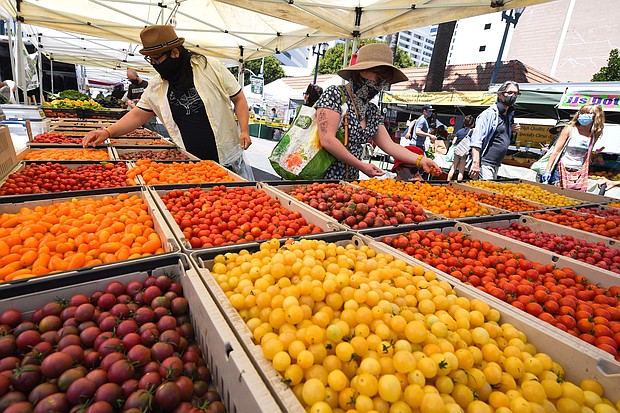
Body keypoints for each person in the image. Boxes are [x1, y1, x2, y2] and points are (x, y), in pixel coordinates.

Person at [83, 25, 253, 180]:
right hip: (191, 166)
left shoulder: (210, 67)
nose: (154, 64)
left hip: (227, 159)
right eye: (150, 60)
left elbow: (238, 98)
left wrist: (244, 130)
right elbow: (138, 115)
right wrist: (107, 132)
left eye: (156, 59)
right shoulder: (157, 86)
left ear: (175, 53)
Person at [315, 42, 441, 180]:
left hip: (348, 182)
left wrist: (421, 160)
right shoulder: (335, 95)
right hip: (321, 179)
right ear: (362, 71)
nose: (380, 86)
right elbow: (327, 139)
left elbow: (390, 145)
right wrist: (361, 165)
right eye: (379, 79)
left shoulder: (371, 110)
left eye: (384, 81)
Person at [541, 104, 605, 190]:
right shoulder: (570, 129)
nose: (584, 115)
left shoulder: (594, 134)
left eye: (588, 113)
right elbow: (556, 151)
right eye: (582, 113)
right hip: (561, 169)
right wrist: (547, 171)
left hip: (578, 172)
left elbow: (588, 154)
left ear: (596, 116)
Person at [469, 80, 521, 180]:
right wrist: (476, 163)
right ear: (500, 95)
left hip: (496, 164)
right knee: (485, 193)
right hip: (485, 163)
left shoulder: (509, 116)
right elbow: (476, 140)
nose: (513, 96)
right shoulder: (489, 114)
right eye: (510, 92)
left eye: (516, 93)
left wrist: (511, 130)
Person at [447, 115, 475, 181]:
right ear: (472, 123)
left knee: (453, 168)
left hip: (457, 151)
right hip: (465, 153)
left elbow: (454, 142)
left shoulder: (459, 131)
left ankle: (447, 181)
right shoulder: (472, 132)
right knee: (461, 171)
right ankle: (458, 184)